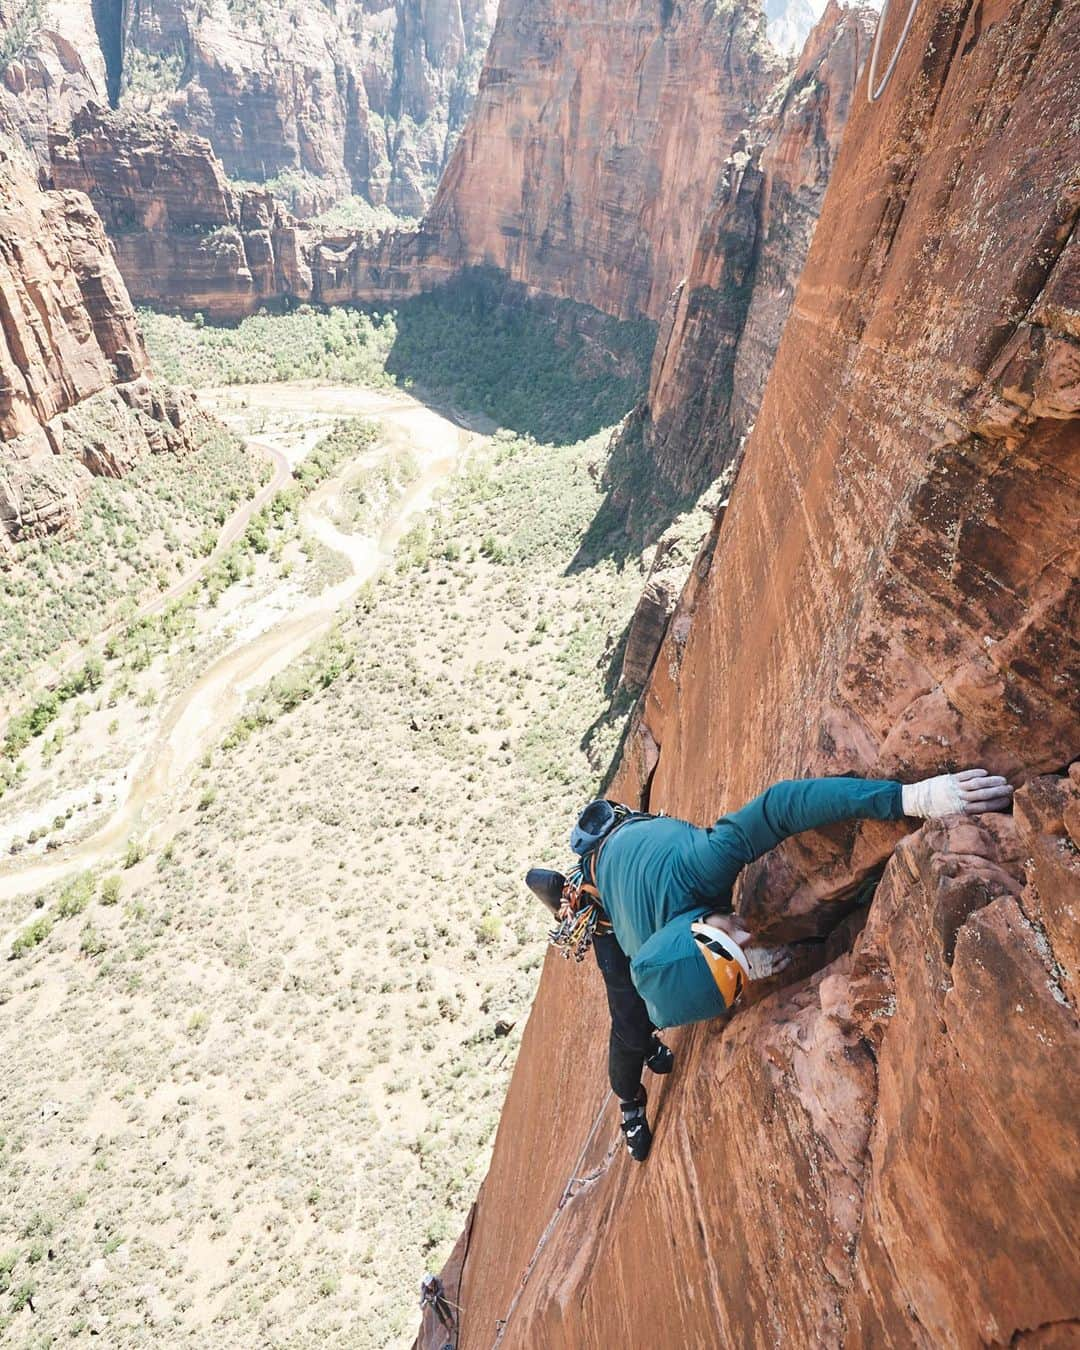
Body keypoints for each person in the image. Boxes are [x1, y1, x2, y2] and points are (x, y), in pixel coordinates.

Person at [528, 768, 1012, 1161]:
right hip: (603, 900)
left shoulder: (699, 863)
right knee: (630, 1028)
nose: (745, 930)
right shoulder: (633, 941)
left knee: (644, 1016)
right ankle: (630, 1103)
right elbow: (654, 996)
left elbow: (781, 806)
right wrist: (744, 966)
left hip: (630, 847)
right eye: (739, 943)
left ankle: (572, 884)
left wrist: (913, 798)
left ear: (696, 926)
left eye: (732, 939)